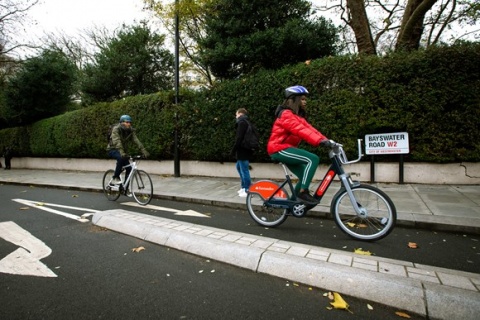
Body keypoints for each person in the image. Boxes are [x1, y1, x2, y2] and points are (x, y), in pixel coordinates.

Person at [267, 85, 336, 205]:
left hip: (287, 148)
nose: (305, 102)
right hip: (278, 148)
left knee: (305, 175)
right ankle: (303, 192)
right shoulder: (285, 114)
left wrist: (326, 140)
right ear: (294, 99)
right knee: (313, 159)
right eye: (302, 99)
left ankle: (294, 203)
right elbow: (299, 130)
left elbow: (310, 129)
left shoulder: (297, 116)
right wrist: (318, 141)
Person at [107, 115, 149, 185]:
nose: (129, 124)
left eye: (130, 122)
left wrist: (143, 150)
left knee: (129, 169)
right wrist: (122, 152)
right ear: (121, 122)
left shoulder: (130, 131)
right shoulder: (116, 129)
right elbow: (117, 142)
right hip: (113, 149)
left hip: (122, 151)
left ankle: (125, 189)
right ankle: (115, 177)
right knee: (120, 158)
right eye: (127, 122)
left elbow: (136, 140)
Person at [231, 108, 254, 197]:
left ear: (240, 114)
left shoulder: (242, 122)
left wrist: (233, 150)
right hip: (244, 149)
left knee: (244, 169)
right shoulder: (246, 122)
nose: (235, 116)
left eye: (236, 114)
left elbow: (239, 138)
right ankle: (244, 186)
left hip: (243, 149)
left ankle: (248, 189)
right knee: (239, 167)